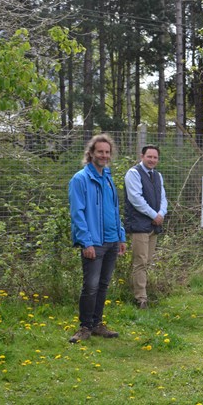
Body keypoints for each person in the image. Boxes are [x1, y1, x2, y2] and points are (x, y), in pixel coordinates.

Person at [68, 134, 126, 343]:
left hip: (111, 241)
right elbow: (78, 214)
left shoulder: (108, 178)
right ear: (91, 153)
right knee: (90, 286)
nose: (104, 155)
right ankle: (84, 327)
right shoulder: (80, 179)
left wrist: (121, 237)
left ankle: (97, 324)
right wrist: (86, 242)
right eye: (100, 151)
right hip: (94, 243)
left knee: (103, 285)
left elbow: (114, 210)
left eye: (107, 152)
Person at [124, 145, 168, 309]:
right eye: (149, 156)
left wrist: (161, 214)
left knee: (147, 261)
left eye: (155, 157)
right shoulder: (133, 173)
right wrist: (154, 215)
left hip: (154, 225)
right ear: (142, 156)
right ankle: (141, 299)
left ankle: (142, 294)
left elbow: (163, 198)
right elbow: (135, 199)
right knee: (140, 262)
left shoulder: (158, 176)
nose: (152, 160)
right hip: (140, 225)